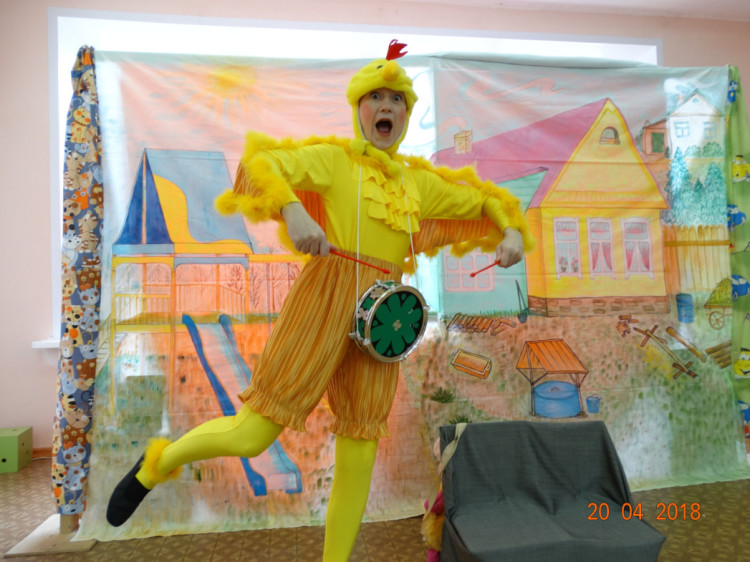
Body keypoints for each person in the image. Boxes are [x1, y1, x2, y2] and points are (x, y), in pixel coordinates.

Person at [107, 40, 534, 561]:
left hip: (383, 317)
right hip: (325, 299)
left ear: (405, 115)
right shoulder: (334, 160)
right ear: (358, 109)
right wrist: (293, 210)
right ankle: (156, 464)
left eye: (397, 100)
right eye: (375, 97)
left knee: (359, 450)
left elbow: (488, 200)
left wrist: (511, 230)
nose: (387, 107)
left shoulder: (419, 183)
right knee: (252, 434)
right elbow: (262, 162)